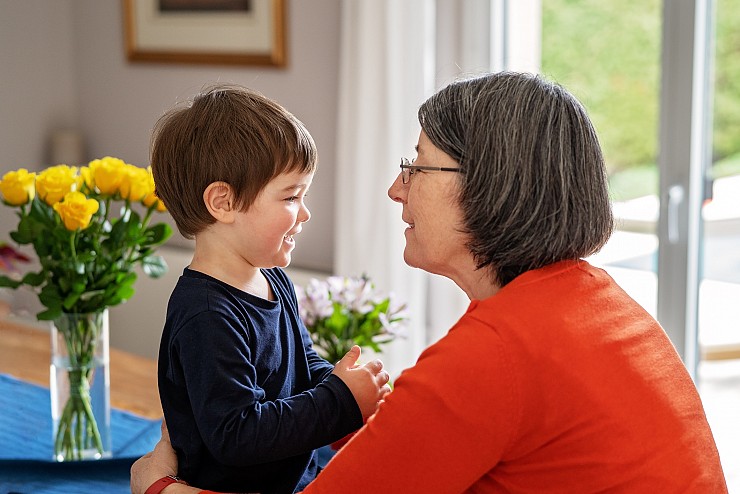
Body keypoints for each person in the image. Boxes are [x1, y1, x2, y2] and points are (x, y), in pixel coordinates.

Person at [132, 72, 728, 493]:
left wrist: (159, 488)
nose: (397, 188)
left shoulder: (497, 353)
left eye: (416, 164)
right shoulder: (587, 303)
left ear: (488, 185)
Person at [147, 84, 391, 494]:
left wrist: (340, 379)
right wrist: (340, 401)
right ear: (222, 202)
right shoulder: (207, 315)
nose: (305, 213)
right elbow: (237, 435)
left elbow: (300, 363)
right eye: (291, 196)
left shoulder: (272, 277)